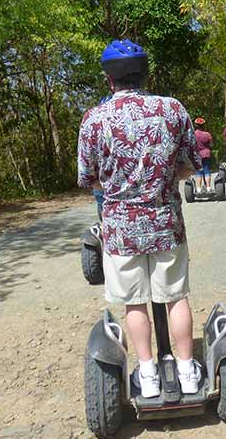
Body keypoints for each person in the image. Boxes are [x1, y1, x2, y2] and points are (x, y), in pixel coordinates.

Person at [77, 39, 203, 399]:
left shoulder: (94, 119)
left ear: (108, 79)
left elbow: (90, 178)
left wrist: (119, 186)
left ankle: (147, 373)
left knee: (134, 302)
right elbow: (190, 165)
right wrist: (161, 180)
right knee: (176, 296)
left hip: (120, 229)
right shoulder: (173, 109)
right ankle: (186, 371)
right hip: (166, 223)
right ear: (145, 73)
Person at [193, 117, 212, 193]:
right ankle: (208, 188)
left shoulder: (193, 134)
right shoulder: (207, 134)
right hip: (206, 154)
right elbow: (211, 144)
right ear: (203, 125)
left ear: (195, 125)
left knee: (198, 171)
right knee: (206, 170)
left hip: (197, 155)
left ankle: (198, 189)